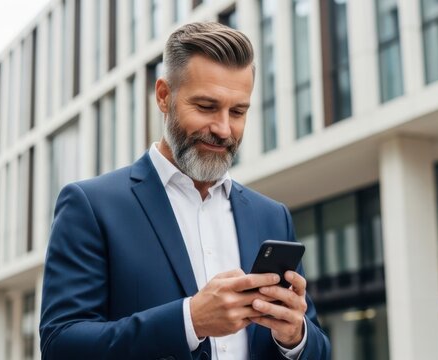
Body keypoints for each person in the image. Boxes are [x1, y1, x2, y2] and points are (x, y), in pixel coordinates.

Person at [39, 22, 330, 360]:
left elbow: (319, 348)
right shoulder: (91, 206)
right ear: (164, 96)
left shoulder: (272, 216)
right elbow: (61, 345)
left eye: (237, 112)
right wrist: (190, 320)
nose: (223, 129)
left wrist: (294, 336)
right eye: (206, 107)